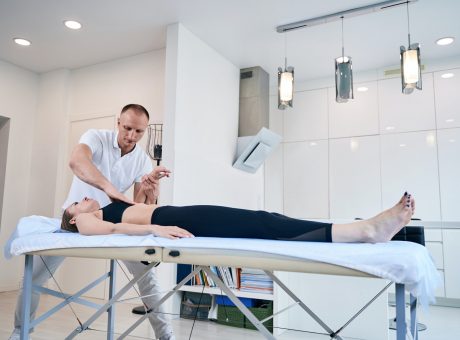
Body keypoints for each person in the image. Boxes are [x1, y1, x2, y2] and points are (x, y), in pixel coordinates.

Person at [10, 104, 175, 340]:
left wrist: (151, 193)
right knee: (34, 276)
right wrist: (111, 190)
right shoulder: (95, 137)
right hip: (73, 224)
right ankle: (20, 333)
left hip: (111, 222)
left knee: (147, 277)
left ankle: (166, 336)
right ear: (118, 123)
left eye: (138, 132)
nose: (131, 136)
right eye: (127, 128)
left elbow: (138, 207)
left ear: (145, 130)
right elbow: (76, 161)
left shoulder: (142, 160)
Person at [61, 193, 415, 244]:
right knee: (263, 224)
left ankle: (365, 228)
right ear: (74, 219)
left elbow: (132, 212)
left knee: (266, 219)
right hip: (181, 220)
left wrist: (149, 197)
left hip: (177, 213)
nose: (82, 200)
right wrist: (154, 227)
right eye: (75, 204)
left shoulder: (106, 204)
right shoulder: (88, 221)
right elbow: (109, 229)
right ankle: (368, 230)